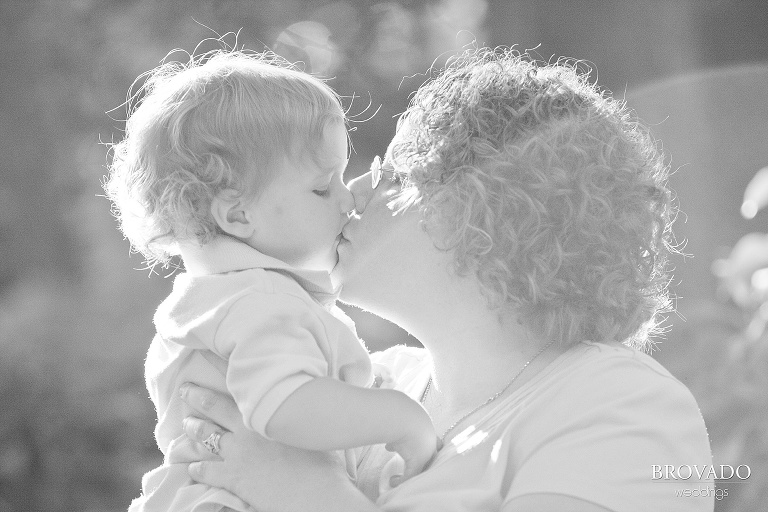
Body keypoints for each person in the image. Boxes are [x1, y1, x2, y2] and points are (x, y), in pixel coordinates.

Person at [177, 47, 715, 512]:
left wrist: (305, 494)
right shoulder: (354, 387)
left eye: (393, 171)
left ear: (485, 205)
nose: (355, 192)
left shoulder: (621, 403)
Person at [103, 50, 437, 512]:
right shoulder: (260, 301)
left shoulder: (214, 299)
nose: (347, 198)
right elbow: (285, 406)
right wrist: (402, 419)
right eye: (323, 187)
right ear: (238, 214)